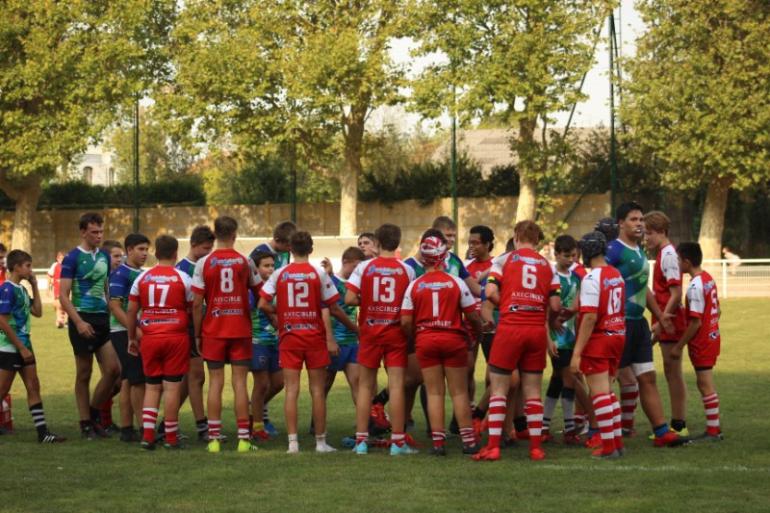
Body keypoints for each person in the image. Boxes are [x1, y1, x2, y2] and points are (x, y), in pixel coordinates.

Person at [473, 220, 561, 462]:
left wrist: (511, 305)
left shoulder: (503, 260)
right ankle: (535, 448)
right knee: (532, 391)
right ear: (538, 240)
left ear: (516, 236)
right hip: (535, 331)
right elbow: (555, 304)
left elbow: (490, 293)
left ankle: (493, 447)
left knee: (499, 388)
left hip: (511, 327)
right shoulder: (547, 265)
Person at [259, 231, 354, 453]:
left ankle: (293, 443)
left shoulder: (280, 274)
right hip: (314, 338)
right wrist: (355, 328)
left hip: (289, 337)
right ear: (311, 250)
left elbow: (263, 304)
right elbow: (334, 307)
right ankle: (320, 442)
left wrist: (281, 311)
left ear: (290, 250)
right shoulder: (318, 274)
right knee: (318, 390)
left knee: (291, 390)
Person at [606, 202, 682, 447]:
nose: (639, 223)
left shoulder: (639, 250)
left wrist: (660, 316)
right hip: (618, 324)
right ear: (620, 223)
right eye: (633, 219)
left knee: (647, 378)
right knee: (605, 380)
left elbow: (642, 289)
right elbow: (597, 280)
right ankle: (599, 432)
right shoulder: (614, 250)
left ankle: (661, 432)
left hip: (638, 326)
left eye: (641, 219)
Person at [401, 231, 482, 455]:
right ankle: (468, 441)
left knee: (434, 392)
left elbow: (405, 321)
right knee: (459, 392)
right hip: (453, 339)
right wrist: (476, 334)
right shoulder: (455, 282)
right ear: (443, 257)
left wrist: (417, 335)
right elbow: (473, 316)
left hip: (426, 341)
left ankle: (438, 443)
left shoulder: (414, 285)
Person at [345, 223, 417, 455]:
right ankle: (397, 443)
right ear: (398, 243)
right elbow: (410, 305)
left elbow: (348, 298)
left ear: (376, 242)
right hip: (395, 332)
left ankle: (361, 442)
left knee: (365, 385)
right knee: (396, 385)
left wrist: (367, 303)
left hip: (370, 331)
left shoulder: (365, 267)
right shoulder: (407, 270)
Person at [192, 216, 261, 453]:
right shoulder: (245, 261)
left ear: (215, 234)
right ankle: (243, 439)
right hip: (240, 328)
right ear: (234, 234)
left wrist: (198, 334)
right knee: (240, 383)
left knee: (215, 384)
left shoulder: (203, 262)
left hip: (213, 330)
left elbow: (196, 303)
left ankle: (213, 440)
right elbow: (261, 292)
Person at [127, 235, 193, 450]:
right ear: (176, 254)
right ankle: (171, 438)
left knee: (152, 387)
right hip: (175, 337)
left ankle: (147, 435)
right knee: (172, 388)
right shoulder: (183, 278)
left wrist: (131, 337)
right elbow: (193, 308)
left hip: (150, 337)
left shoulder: (142, 278)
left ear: (156, 252)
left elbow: (131, 310)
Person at [59, 212, 121, 439]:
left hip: (102, 320)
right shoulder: (72, 258)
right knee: (84, 373)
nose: (98, 235)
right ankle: (85, 423)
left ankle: (94, 413)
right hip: (82, 319)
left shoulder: (104, 256)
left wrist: (109, 311)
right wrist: (78, 322)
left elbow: (105, 287)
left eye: (101, 231)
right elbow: (63, 295)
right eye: (94, 232)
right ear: (83, 231)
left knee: (114, 370)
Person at [569, 231, 626, 459]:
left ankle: (609, 447)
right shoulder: (616, 274)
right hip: (617, 335)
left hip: (600, 339)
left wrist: (577, 353)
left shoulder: (592, 278)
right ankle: (617, 443)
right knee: (609, 394)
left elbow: (590, 317)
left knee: (599, 394)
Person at [0, 250, 65, 443]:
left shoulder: (21, 289)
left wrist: (35, 286)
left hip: (25, 345)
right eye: (28, 266)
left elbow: (37, 311)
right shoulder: (7, 289)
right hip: (10, 348)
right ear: (17, 267)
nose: (31, 269)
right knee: (2, 391)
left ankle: (42, 433)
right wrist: (20, 347)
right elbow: (2, 321)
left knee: (33, 386)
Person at [644, 211, 688, 436]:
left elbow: (676, 293)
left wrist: (662, 320)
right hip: (665, 320)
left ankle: (679, 424)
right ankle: (676, 422)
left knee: (673, 371)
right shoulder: (664, 253)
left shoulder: (669, 254)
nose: (646, 238)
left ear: (661, 231)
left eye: (649, 233)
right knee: (670, 371)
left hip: (671, 322)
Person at [676, 242, 723, 442]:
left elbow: (695, 323)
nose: (677, 264)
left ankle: (714, 431)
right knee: (705, 383)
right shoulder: (707, 279)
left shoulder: (695, 285)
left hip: (703, 342)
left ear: (686, 262)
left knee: (705, 384)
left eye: (678, 260)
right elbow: (718, 310)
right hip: (712, 337)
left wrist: (678, 347)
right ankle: (714, 429)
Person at [175, 225, 216, 442]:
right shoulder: (182, 268)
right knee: (197, 377)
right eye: (205, 248)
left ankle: (167, 424)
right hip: (189, 327)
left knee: (189, 379)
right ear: (193, 245)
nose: (208, 253)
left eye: (211, 248)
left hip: (204, 326)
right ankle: (202, 427)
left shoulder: (208, 265)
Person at [543, 235, 584, 446]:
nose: (570, 259)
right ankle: (569, 429)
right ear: (556, 254)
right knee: (569, 379)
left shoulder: (576, 278)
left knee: (557, 380)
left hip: (571, 335)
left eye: (574, 256)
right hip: (556, 337)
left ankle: (543, 426)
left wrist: (571, 312)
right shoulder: (551, 276)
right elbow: (547, 306)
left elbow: (578, 303)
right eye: (566, 255)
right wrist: (551, 324)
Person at [108, 233, 150, 443]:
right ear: (129, 250)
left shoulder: (141, 274)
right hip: (123, 332)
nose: (145, 253)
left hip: (133, 330)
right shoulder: (120, 274)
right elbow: (114, 306)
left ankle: (126, 429)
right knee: (138, 381)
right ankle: (145, 429)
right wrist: (134, 331)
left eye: (146, 249)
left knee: (127, 380)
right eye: (140, 249)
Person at [322, 247, 364, 411]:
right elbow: (331, 309)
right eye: (355, 267)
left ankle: (365, 426)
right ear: (345, 262)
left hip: (352, 342)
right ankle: (316, 425)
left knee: (358, 383)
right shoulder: (330, 281)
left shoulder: (357, 285)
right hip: (334, 342)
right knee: (324, 385)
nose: (357, 272)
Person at [248, 251, 283, 441]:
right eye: (266, 266)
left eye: (272, 265)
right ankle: (257, 426)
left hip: (276, 341)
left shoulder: (277, 286)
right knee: (261, 384)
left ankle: (252, 407)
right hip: (258, 341)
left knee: (279, 383)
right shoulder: (253, 290)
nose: (270, 269)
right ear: (256, 269)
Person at [47, 251, 67, 328]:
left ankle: (63, 322)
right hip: (57, 290)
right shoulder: (55, 265)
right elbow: (49, 275)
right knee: (58, 306)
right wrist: (48, 288)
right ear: (57, 259)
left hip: (66, 290)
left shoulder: (67, 266)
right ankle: (59, 321)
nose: (61, 260)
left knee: (66, 306)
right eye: (60, 258)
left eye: (63, 258)